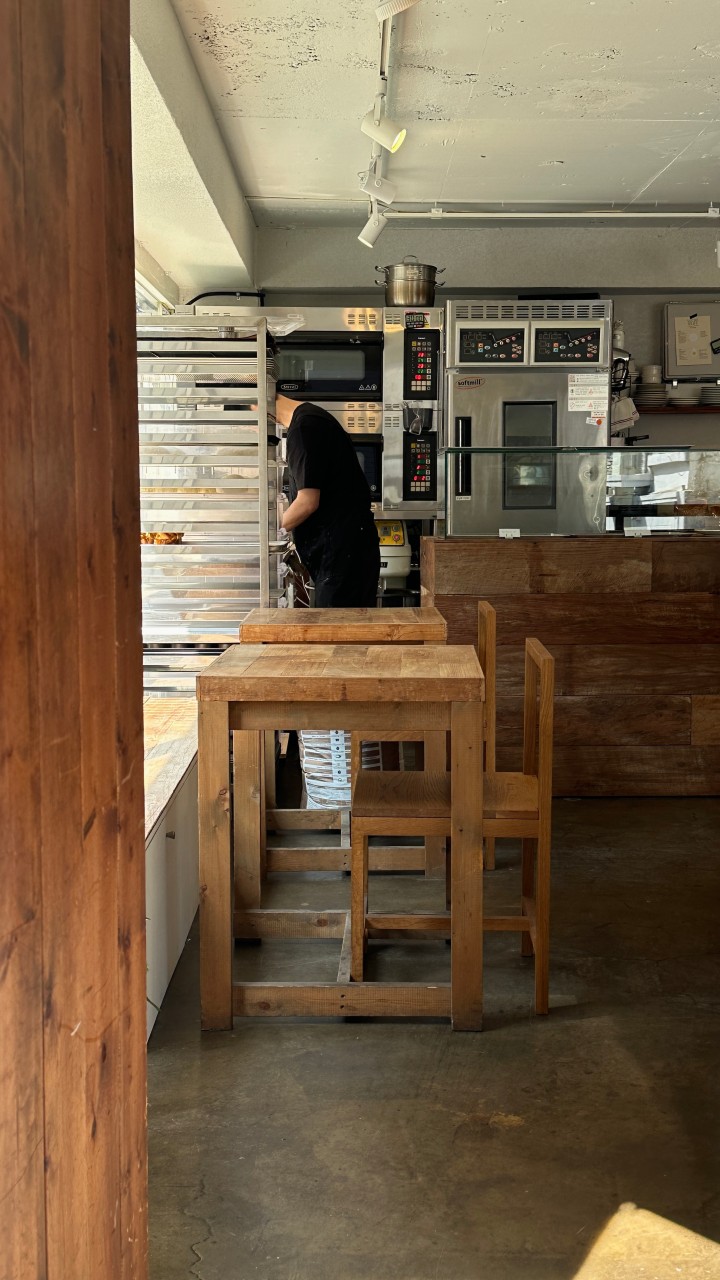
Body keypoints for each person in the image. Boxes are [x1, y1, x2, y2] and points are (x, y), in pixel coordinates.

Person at [274, 394, 381, 608]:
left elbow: (307, 502)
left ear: (257, 405)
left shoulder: (304, 428)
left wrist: (269, 532)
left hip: (341, 558)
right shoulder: (312, 418)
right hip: (346, 554)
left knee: (340, 626)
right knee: (349, 625)